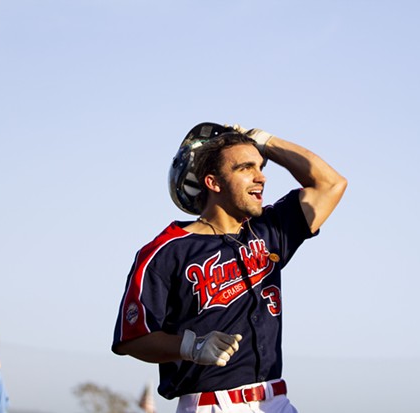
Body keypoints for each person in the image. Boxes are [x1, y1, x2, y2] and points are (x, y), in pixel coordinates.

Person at [112, 123, 347, 412]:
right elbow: (132, 339)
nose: (260, 177)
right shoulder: (164, 250)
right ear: (213, 182)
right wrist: (191, 347)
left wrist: (266, 141)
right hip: (211, 405)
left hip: (275, 401)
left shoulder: (269, 230)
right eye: (246, 168)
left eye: (260, 166)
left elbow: (330, 184)